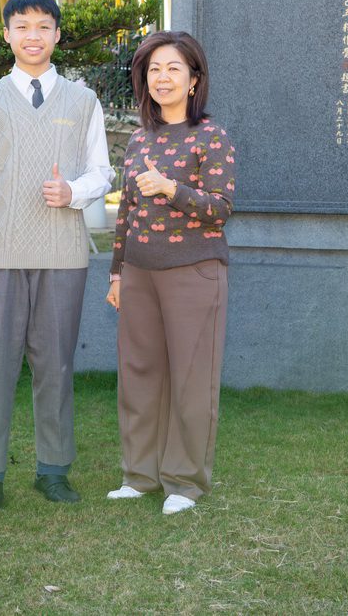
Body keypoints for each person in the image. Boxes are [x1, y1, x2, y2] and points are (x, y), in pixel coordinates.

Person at [0, 0, 114, 512]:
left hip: (63, 254)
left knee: (57, 367)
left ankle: (54, 470)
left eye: (43, 26)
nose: (33, 35)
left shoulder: (83, 101)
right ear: (7, 35)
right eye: (22, 26)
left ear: (57, 35)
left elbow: (102, 171)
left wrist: (74, 192)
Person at [104, 30, 235, 515]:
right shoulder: (139, 138)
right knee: (139, 373)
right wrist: (117, 273)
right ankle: (139, 475)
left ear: (193, 78)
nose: (162, 78)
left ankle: (184, 481)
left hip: (193, 271)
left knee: (191, 377)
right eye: (153, 69)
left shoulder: (212, 136)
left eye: (173, 68)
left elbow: (221, 208)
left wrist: (170, 188)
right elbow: (126, 212)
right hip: (139, 272)